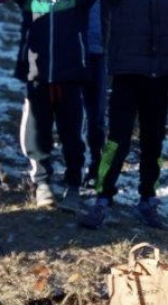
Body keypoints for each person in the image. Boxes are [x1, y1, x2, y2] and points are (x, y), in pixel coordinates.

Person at [80, 0, 168, 230]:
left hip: (161, 71)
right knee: (117, 140)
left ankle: (148, 198)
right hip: (126, 70)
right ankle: (102, 197)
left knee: (153, 141)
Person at [10, 0, 94, 210]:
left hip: (71, 71)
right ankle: (42, 182)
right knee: (36, 129)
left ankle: (73, 185)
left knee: (72, 132)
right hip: (36, 71)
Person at [82, 0, 108, 189]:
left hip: (101, 55)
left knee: (96, 115)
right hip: (74, 52)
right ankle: (74, 168)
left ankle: (96, 164)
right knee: (72, 115)